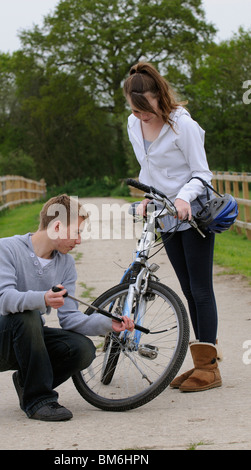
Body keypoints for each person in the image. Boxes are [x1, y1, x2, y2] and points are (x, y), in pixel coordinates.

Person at [0, 194, 134, 421]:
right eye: (76, 232)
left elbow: (71, 319)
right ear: (57, 226)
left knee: (82, 349)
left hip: (29, 338)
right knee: (28, 316)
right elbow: (3, 299)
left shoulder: (65, 263)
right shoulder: (6, 248)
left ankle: (27, 382)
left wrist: (109, 323)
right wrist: (43, 299)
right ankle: (39, 400)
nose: (78, 241)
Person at [123, 62, 222, 392]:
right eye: (135, 111)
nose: (141, 117)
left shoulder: (183, 126)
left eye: (146, 109)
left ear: (159, 96)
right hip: (164, 215)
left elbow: (202, 173)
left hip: (192, 214)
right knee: (187, 289)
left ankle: (209, 370)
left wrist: (183, 198)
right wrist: (148, 197)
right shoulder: (133, 125)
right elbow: (148, 168)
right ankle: (200, 363)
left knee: (200, 288)